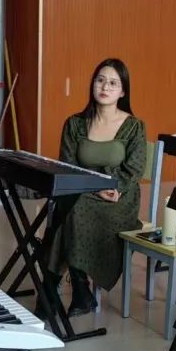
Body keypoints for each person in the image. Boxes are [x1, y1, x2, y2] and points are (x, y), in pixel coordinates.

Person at [42, 58, 146, 316]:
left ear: (123, 91)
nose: (105, 87)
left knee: (68, 210)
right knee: (70, 206)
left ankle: (50, 290)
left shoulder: (134, 127)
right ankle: (78, 290)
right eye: (100, 80)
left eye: (113, 83)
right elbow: (67, 165)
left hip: (118, 198)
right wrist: (92, 188)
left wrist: (108, 187)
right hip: (82, 191)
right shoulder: (75, 123)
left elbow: (134, 169)